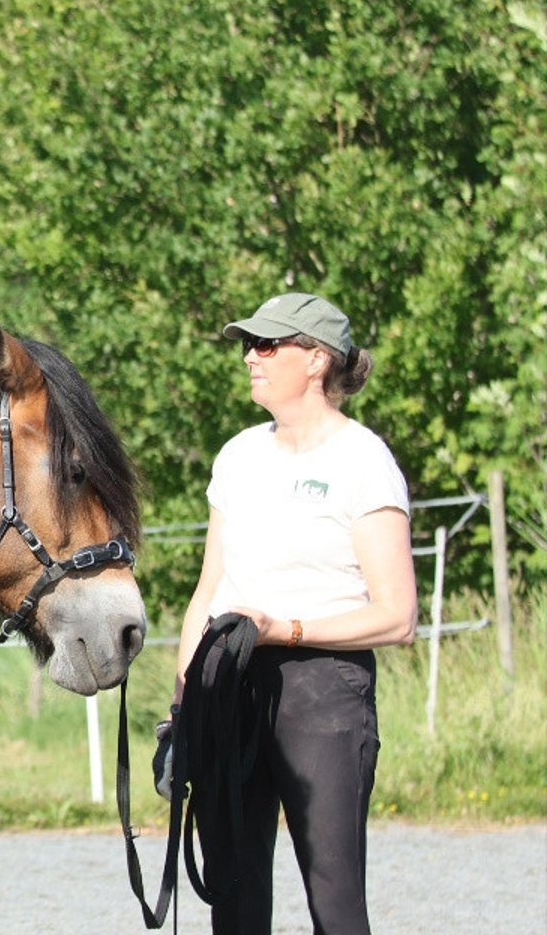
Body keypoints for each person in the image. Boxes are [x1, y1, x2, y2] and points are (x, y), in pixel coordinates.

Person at [168, 291, 417, 935]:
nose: (251, 356)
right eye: (249, 343)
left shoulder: (363, 463)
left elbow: (397, 616)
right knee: (234, 896)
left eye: (267, 344)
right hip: (232, 683)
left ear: (316, 359)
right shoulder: (238, 456)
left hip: (323, 688)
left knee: (333, 901)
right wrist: (185, 696)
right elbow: (209, 588)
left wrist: (291, 629)